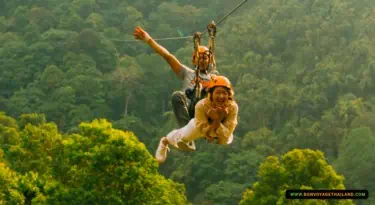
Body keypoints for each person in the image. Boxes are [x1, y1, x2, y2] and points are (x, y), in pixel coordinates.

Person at [133, 26, 217, 150]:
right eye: (200, 57)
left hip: (205, 111)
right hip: (190, 111)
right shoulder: (187, 73)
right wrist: (147, 39)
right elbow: (167, 56)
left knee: (213, 93)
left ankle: (211, 130)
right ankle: (186, 136)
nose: (203, 60)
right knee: (177, 95)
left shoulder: (214, 77)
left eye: (205, 58)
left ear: (209, 60)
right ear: (194, 59)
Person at [155, 75, 238, 164]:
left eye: (224, 93)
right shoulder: (201, 105)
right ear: (211, 93)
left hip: (219, 132)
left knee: (226, 139)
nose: (221, 96)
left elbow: (227, 133)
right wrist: (218, 119)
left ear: (229, 95)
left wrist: (217, 119)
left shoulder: (233, 107)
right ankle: (165, 141)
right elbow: (206, 133)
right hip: (201, 127)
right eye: (218, 92)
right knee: (183, 136)